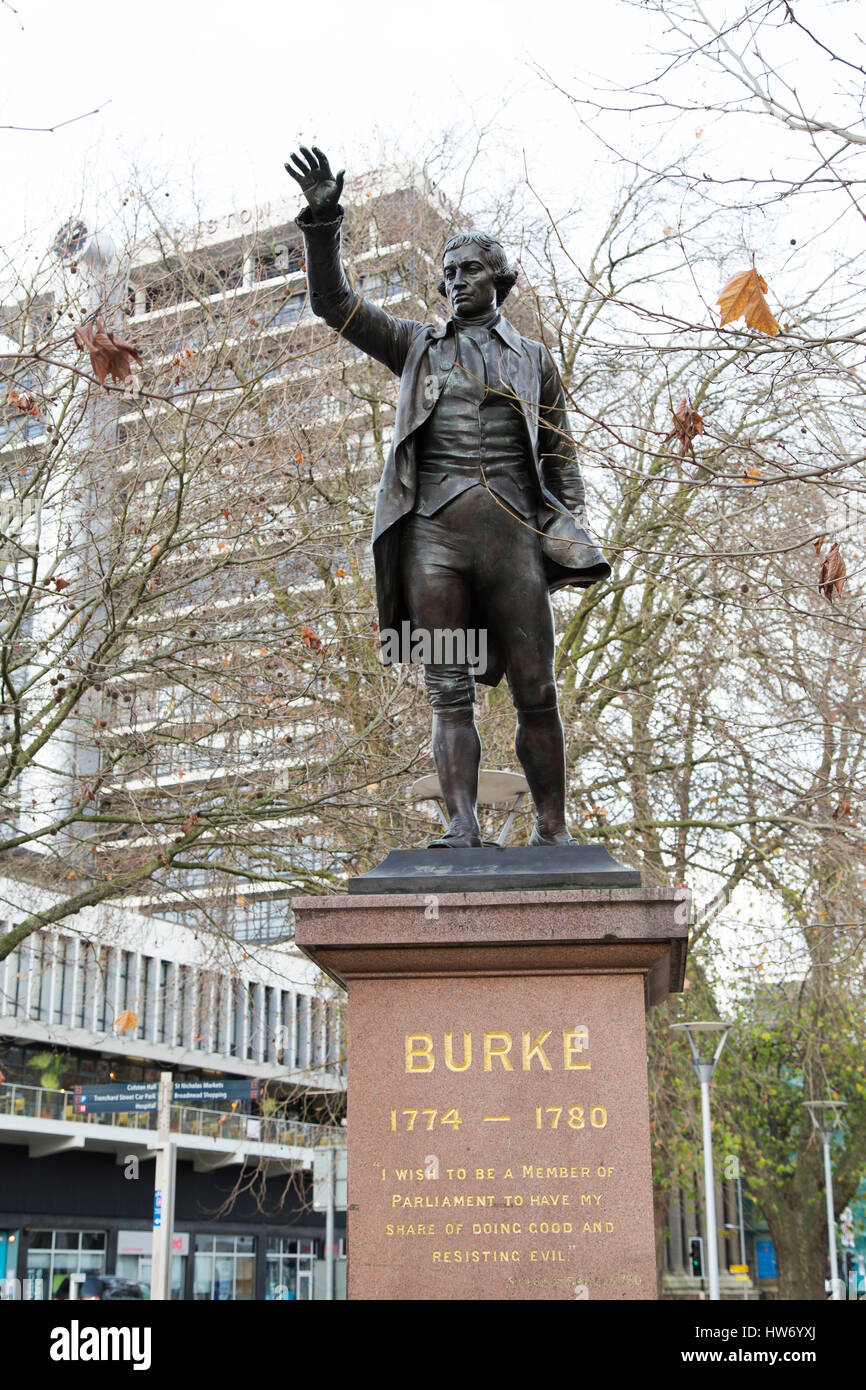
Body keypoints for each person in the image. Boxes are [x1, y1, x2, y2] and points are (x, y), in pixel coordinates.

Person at [287, 147, 609, 848]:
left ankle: (553, 831)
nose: (455, 282)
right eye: (448, 273)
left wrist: (571, 530)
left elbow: (559, 455)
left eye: (469, 270)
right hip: (434, 542)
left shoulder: (533, 360)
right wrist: (323, 221)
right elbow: (332, 303)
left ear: (500, 279)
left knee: (537, 690)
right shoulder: (416, 347)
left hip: (514, 542)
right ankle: (461, 826)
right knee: (447, 687)